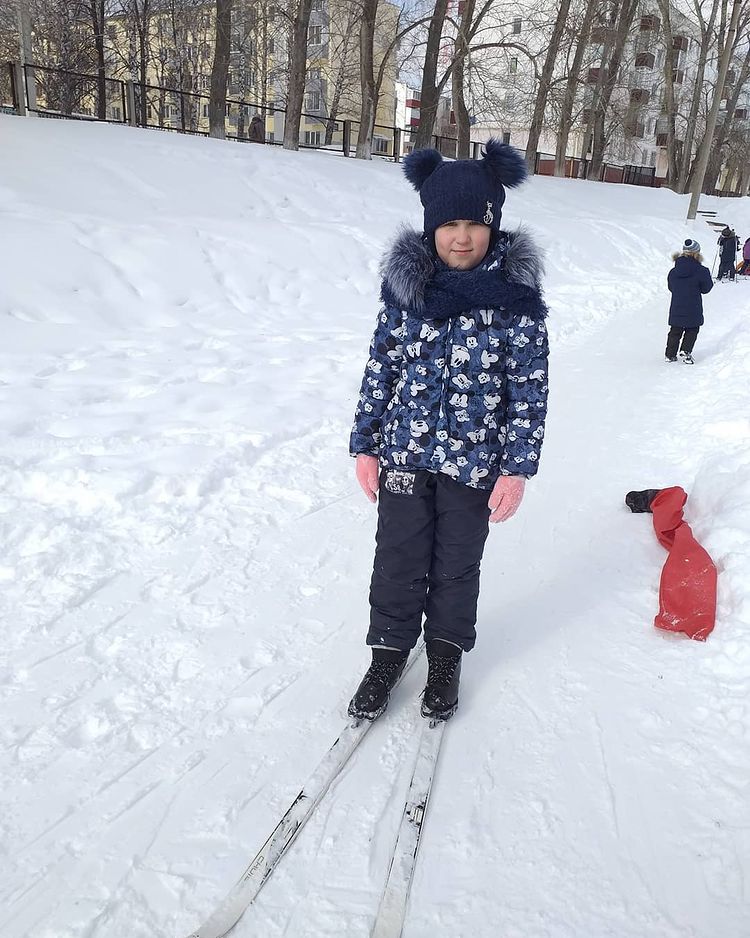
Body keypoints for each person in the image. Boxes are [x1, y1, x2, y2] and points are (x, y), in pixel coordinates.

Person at [347, 140, 549, 724]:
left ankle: (445, 654)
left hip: (474, 462)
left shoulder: (515, 301)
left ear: (493, 225)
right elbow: (381, 368)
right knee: (398, 558)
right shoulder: (406, 292)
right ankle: (388, 653)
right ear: (431, 227)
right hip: (405, 455)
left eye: (474, 224)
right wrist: (366, 445)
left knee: (457, 562)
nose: (462, 238)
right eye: (449, 225)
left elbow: (529, 391)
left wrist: (515, 468)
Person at [665, 238, 713, 364]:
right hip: (693, 305)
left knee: (675, 329)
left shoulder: (673, 271)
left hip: (677, 304)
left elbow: (671, 287)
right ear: (697, 253)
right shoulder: (702, 271)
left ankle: (670, 355)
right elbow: (706, 289)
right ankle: (685, 350)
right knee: (692, 328)